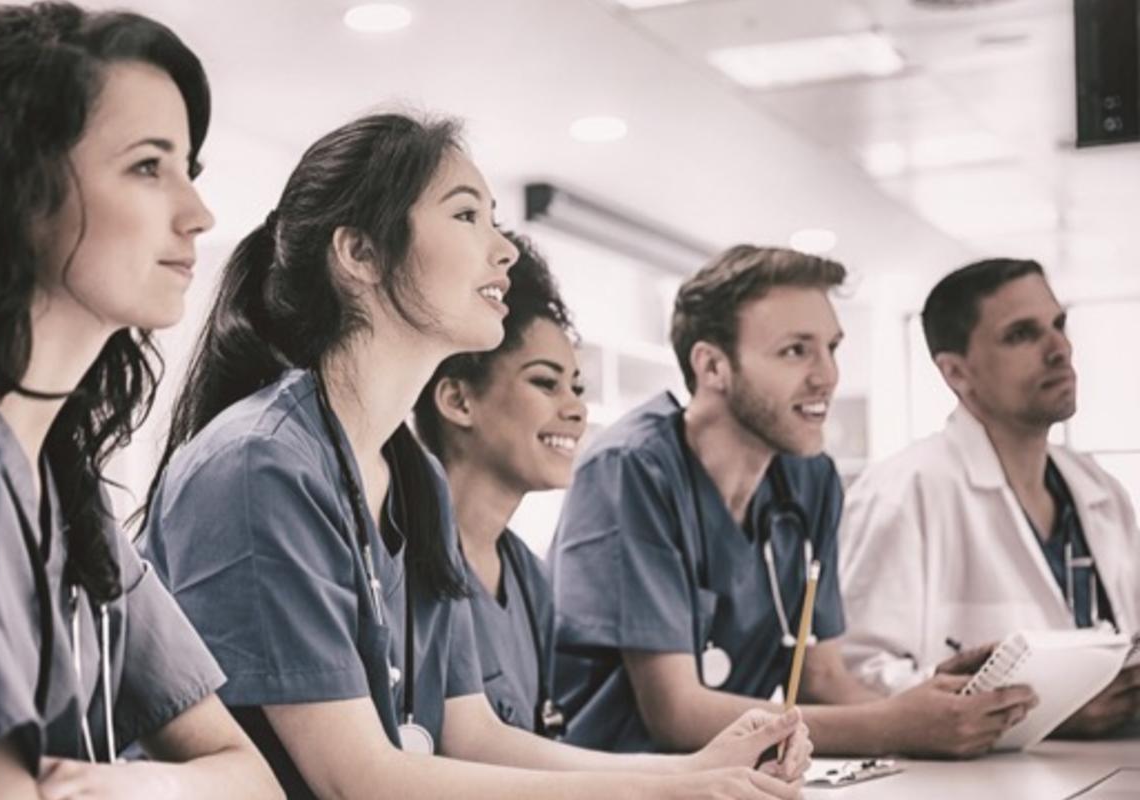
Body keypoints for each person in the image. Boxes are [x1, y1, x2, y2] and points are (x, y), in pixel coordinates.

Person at [142, 112, 811, 799]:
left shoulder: (413, 476)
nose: (505, 251)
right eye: (467, 215)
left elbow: (473, 734)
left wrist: (696, 767)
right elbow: (358, 780)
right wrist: (668, 795)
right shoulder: (261, 465)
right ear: (361, 255)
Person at [0, 4, 279, 798]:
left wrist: (126, 789)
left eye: (190, 169)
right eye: (149, 167)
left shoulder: (73, 504)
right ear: (17, 184)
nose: (199, 213)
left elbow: (249, 778)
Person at [549, 245, 1039, 758]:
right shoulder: (632, 469)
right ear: (713, 365)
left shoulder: (809, 477)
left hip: (738, 779)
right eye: (795, 350)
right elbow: (677, 713)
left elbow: (821, 677)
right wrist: (895, 726)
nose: (827, 376)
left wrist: (937, 711)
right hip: (619, 780)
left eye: (832, 347)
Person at [840, 257, 1140, 737]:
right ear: (957, 373)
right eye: (1022, 334)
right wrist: (1050, 707)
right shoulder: (905, 490)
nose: (1059, 348)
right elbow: (856, 677)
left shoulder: (1099, 489)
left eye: (1058, 324)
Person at [412, 232, 582, 736]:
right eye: (545, 383)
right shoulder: (406, 565)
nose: (575, 409)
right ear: (458, 401)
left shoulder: (530, 580)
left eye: (577, 387)